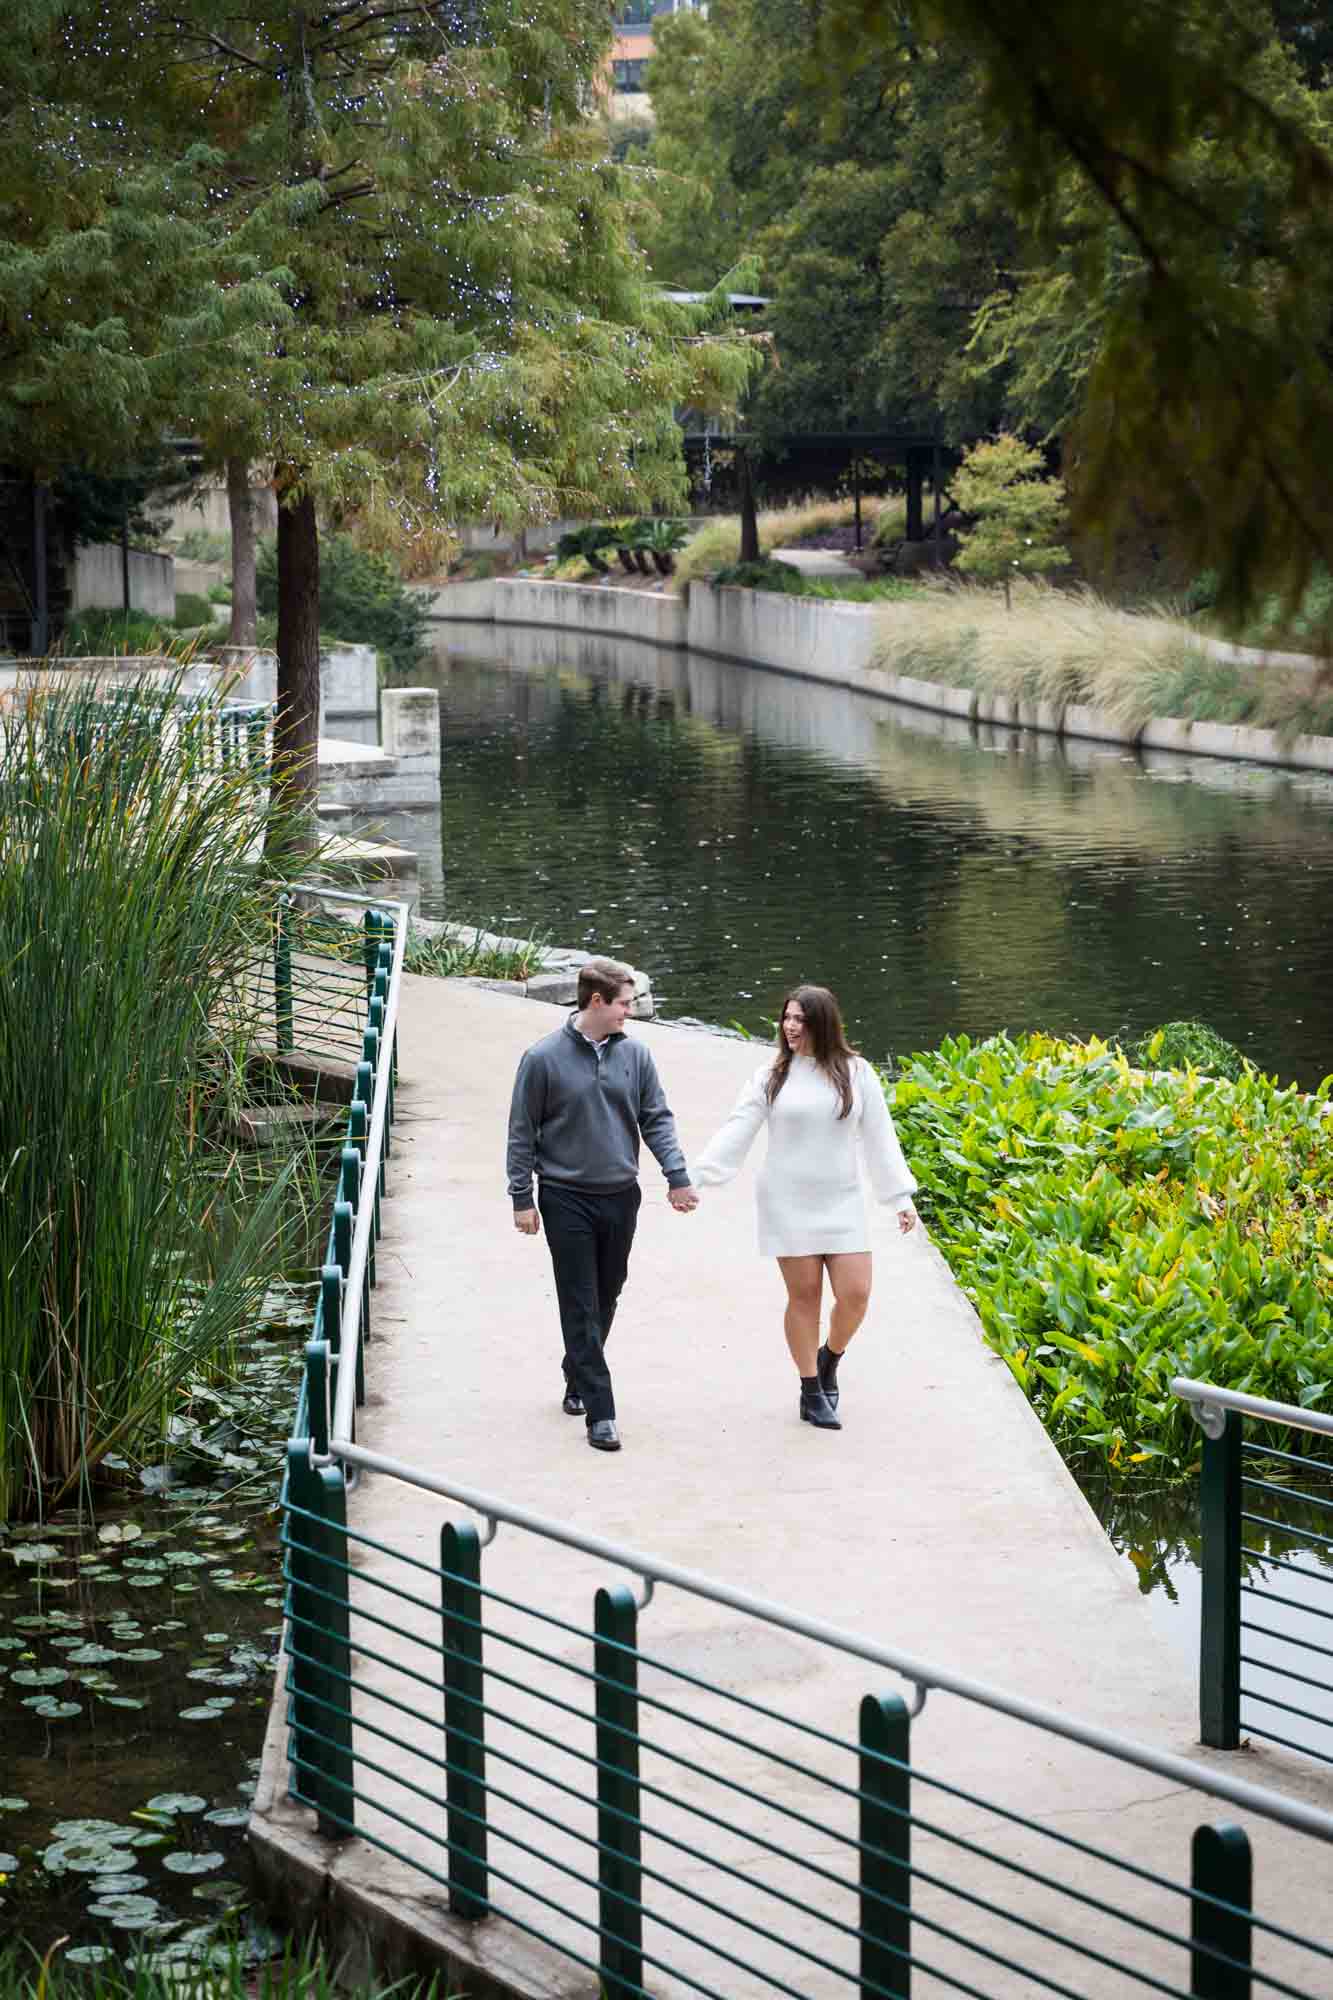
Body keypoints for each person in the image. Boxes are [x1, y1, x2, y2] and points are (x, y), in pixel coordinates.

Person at [691, 984, 917, 1431]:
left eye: (800, 1019)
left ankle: (829, 1357)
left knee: (856, 1293)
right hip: (787, 1199)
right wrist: (697, 1176)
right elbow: (738, 1129)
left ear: (822, 1024)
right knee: (805, 1297)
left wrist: (898, 1197)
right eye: (787, 1018)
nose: (790, 1027)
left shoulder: (857, 1072)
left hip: (842, 1198)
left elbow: (880, 1136)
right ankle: (811, 1390)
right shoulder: (771, 1075)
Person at [507, 956, 699, 1452]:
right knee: (578, 1298)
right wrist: (522, 1198)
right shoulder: (542, 1058)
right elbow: (521, 1133)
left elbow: (656, 1118)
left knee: (607, 1293)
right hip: (565, 1196)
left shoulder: (636, 1056)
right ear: (596, 1001)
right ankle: (601, 1410)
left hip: (621, 1195)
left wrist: (677, 1176)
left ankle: (578, 1371)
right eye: (624, 1004)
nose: (629, 1013)